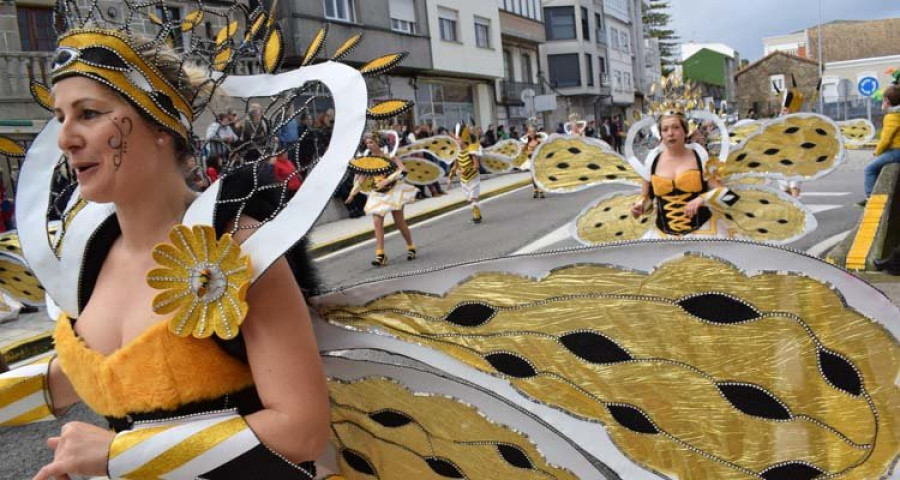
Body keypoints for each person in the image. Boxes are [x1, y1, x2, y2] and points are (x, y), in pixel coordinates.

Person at [1, 12, 329, 480]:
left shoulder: (236, 246)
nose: (66, 139)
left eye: (88, 114)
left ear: (159, 124)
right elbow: (76, 374)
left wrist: (119, 455)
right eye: (60, 117)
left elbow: (301, 430)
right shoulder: (88, 253)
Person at [630, 113, 734, 238]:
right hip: (663, 235)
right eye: (665, 129)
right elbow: (647, 198)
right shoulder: (652, 160)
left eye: (676, 127)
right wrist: (639, 208)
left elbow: (728, 196)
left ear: (685, 131)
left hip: (704, 232)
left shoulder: (700, 157)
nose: (670, 133)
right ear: (661, 135)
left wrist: (701, 200)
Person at [345, 133, 418, 266]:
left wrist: (388, 180)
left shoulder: (390, 156)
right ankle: (380, 255)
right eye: (367, 143)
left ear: (378, 143)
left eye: (371, 142)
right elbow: (362, 178)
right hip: (378, 193)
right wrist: (352, 194)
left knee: (399, 222)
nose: (369, 145)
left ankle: (411, 246)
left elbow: (404, 171)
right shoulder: (369, 161)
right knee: (377, 222)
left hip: (393, 192)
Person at [862, 84, 900, 205]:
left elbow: (886, 139)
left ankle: (870, 198)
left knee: (870, 169)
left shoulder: (892, 117)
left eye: (884, 99)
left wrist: (877, 152)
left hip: (896, 151)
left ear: (887, 101)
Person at [448, 126, 483, 223]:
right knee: (470, 199)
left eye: (458, 139)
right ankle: (477, 214)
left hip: (473, 177)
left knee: (473, 197)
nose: (457, 141)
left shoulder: (471, 151)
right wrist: (450, 178)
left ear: (463, 139)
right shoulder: (457, 153)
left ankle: (477, 217)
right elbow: (455, 167)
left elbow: (476, 166)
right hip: (463, 179)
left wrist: (465, 170)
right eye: (455, 139)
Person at [522, 126, 545, 199]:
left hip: (538, 160)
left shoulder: (539, 140)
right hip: (530, 160)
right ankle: (535, 190)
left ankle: (541, 191)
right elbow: (523, 150)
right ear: (528, 132)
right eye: (530, 132)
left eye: (533, 131)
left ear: (535, 132)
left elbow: (543, 149)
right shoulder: (526, 141)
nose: (532, 133)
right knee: (533, 176)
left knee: (539, 175)